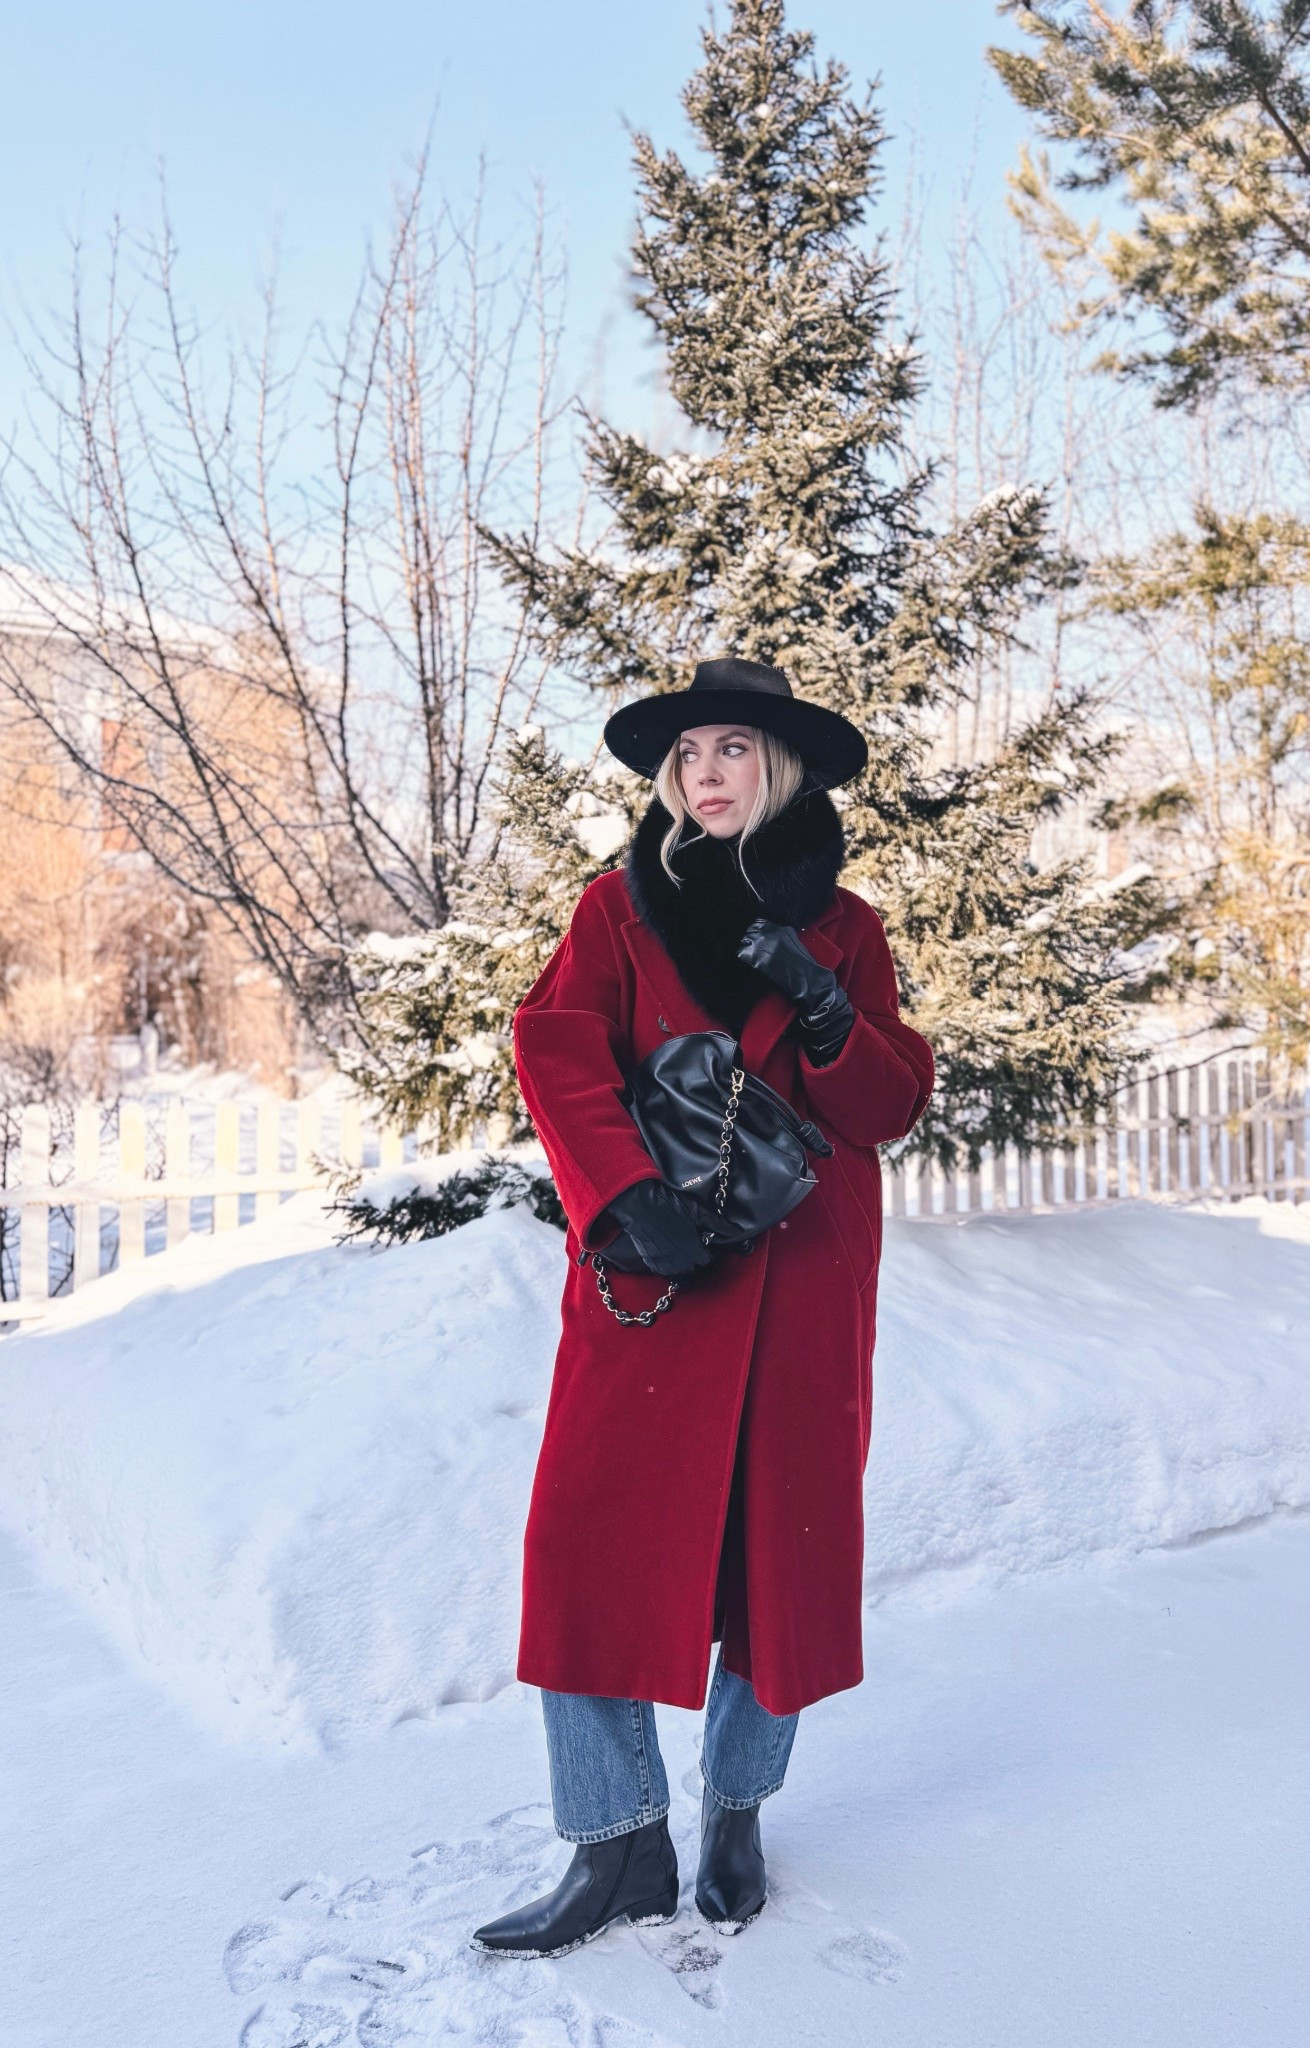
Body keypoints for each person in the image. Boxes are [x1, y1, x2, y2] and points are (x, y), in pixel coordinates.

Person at [472, 657, 934, 1959]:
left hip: (799, 1288)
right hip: (652, 1281)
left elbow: (889, 1109)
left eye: (732, 749)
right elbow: (556, 1048)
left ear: (775, 767)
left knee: (775, 1570)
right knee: (585, 1553)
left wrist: (830, 1008)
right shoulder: (616, 911)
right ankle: (615, 1846)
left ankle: (735, 1819)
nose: (707, 772)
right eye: (690, 755)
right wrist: (619, 1198)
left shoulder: (847, 926)